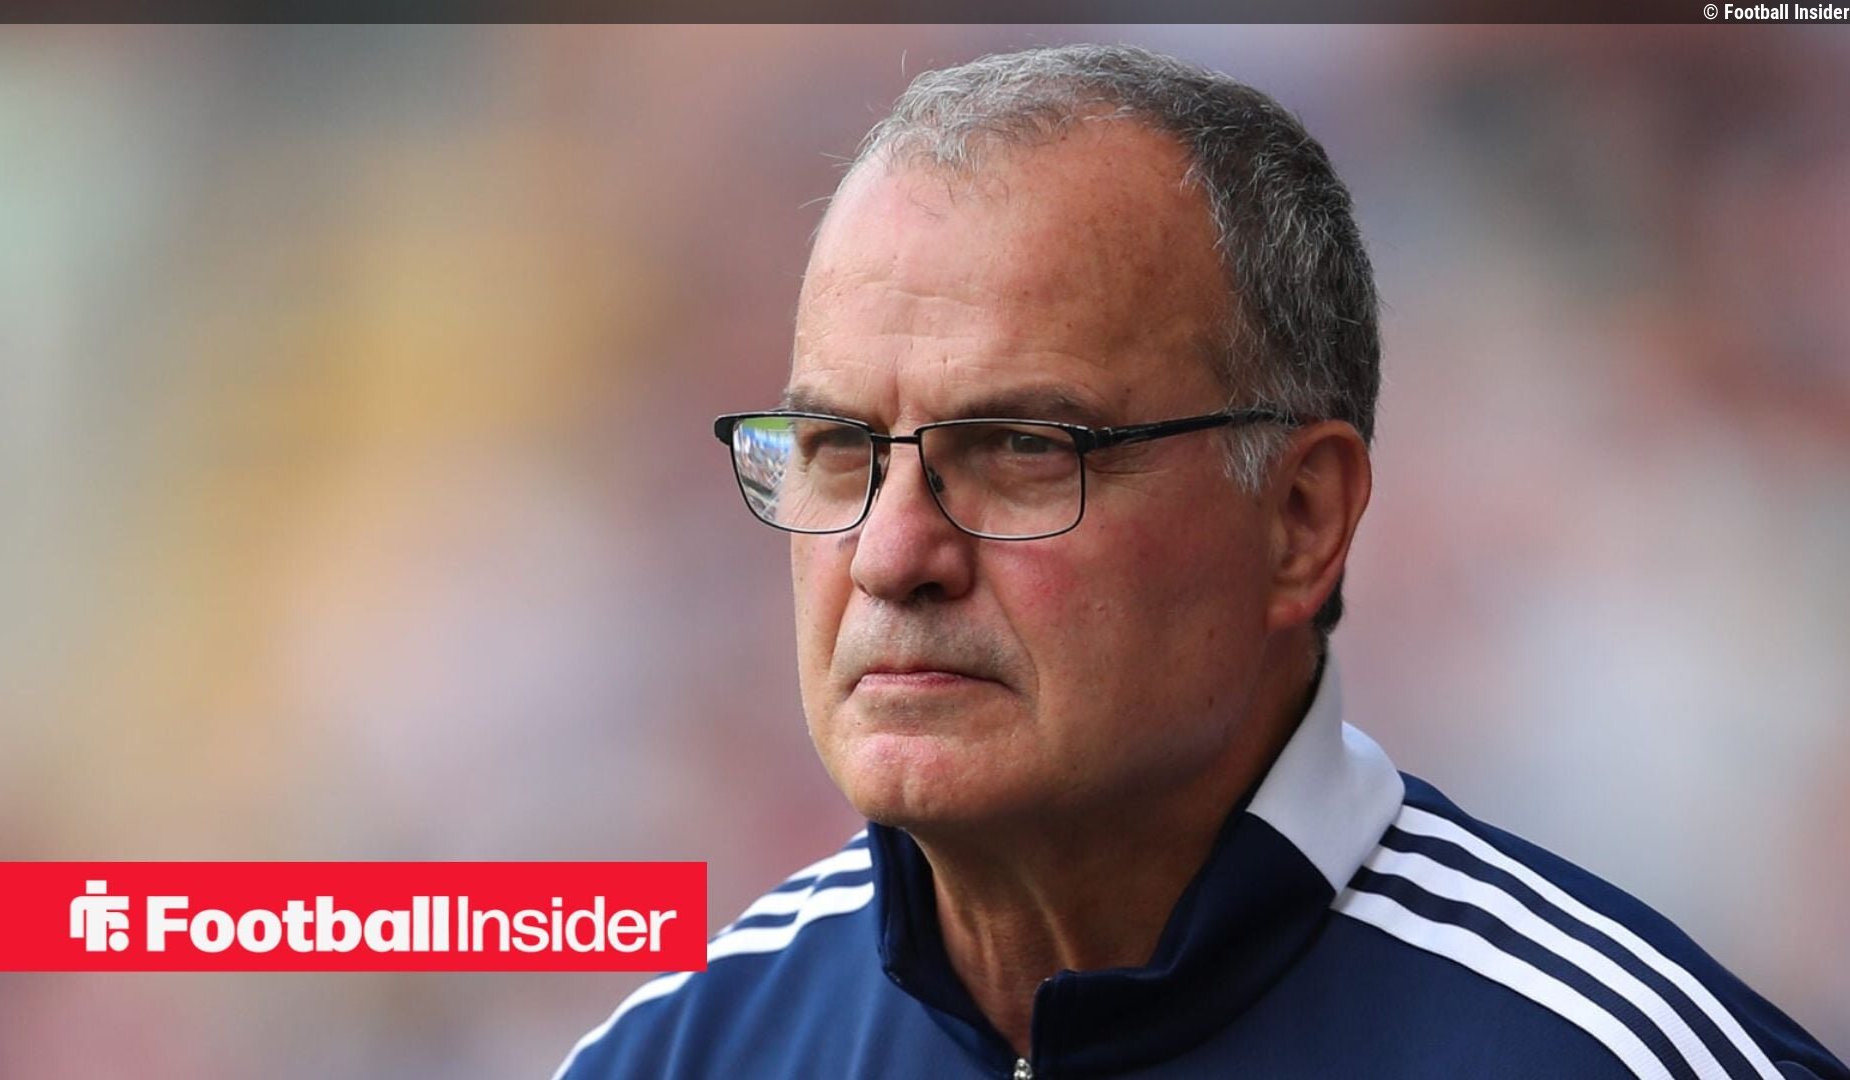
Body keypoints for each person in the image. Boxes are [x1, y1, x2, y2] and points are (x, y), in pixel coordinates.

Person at [556, 44, 1847, 1080]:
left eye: (1022, 448)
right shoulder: (675, 1056)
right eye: (840, 449)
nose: (894, 554)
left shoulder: (1605, 1056)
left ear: (1301, 518)